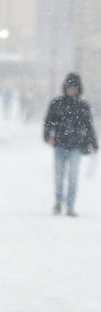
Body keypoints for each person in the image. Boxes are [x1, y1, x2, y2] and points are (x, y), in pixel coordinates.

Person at [43, 72, 98, 216]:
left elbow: (88, 127)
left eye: (74, 87)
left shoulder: (83, 107)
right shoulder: (57, 104)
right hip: (59, 145)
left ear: (79, 88)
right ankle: (58, 203)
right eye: (69, 87)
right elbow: (48, 122)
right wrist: (47, 136)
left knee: (73, 177)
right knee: (59, 176)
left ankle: (70, 206)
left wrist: (94, 144)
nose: (71, 90)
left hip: (76, 147)